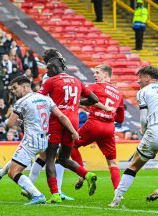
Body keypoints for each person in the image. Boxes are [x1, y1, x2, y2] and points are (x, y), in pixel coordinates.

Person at [0, 76, 79, 205]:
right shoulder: (46, 99)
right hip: (45, 141)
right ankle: (0, 173)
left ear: (25, 86)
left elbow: (10, 124)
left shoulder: (21, 102)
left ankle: (37, 195)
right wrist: (73, 131)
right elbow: (61, 116)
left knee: (13, 172)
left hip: (30, 141)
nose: (14, 91)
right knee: (18, 160)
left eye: (15, 88)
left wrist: (12, 122)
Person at [38, 49, 99, 203]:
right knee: (64, 158)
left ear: (55, 68)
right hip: (73, 120)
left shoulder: (50, 81)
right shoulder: (77, 81)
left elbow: (38, 101)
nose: (47, 72)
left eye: (48, 69)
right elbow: (94, 99)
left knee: (50, 158)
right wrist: (78, 103)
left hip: (57, 120)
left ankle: (55, 194)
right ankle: (87, 175)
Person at [109, 66, 158, 207]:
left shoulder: (144, 91)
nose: (138, 81)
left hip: (154, 130)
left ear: (147, 77)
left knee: (134, 165)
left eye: (140, 77)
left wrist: (143, 129)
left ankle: (116, 199)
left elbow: (143, 118)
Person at [71, 65, 125, 191]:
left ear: (105, 75)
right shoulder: (118, 93)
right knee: (112, 162)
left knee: (71, 144)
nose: (94, 75)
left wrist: (78, 103)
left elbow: (79, 94)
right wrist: (108, 112)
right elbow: (120, 119)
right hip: (109, 128)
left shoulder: (95, 86)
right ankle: (118, 195)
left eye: (97, 73)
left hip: (94, 124)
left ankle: (83, 174)